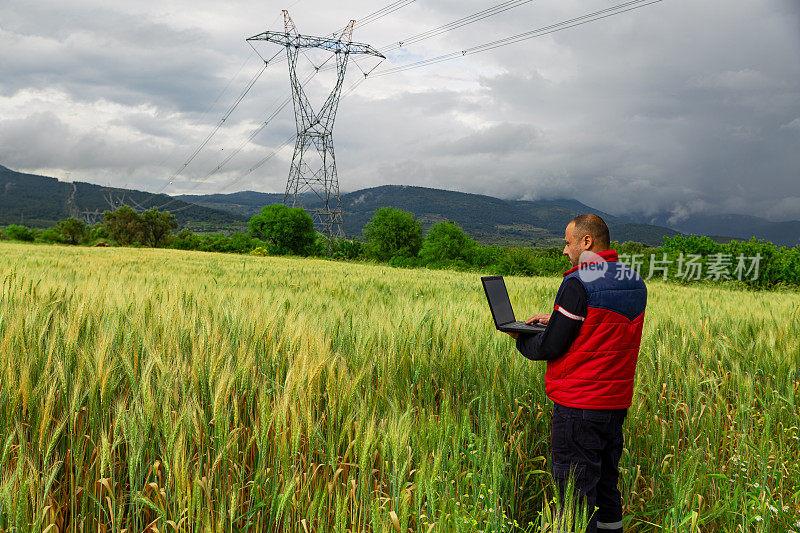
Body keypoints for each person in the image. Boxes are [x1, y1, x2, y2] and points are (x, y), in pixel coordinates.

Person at [505, 214, 647, 533]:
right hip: (614, 404)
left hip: (578, 407)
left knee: (575, 498)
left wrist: (521, 337)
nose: (565, 250)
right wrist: (557, 318)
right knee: (607, 489)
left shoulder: (578, 282)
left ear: (587, 242)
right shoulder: (634, 280)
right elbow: (601, 329)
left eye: (568, 242)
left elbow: (551, 347)